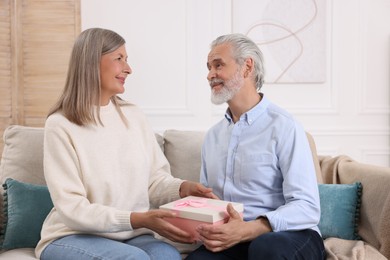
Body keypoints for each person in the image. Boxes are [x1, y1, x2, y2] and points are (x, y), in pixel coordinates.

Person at [35, 28, 216, 260]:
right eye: (119, 59)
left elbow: (153, 182)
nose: (128, 69)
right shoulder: (61, 124)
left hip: (131, 234)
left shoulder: (133, 116)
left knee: (167, 257)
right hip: (71, 235)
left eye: (127, 59)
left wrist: (183, 189)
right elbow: (72, 208)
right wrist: (136, 218)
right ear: (91, 62)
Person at [186, 33, 326, 260]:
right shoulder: (213, 137)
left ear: (247, 67)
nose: (210, 75)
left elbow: (307, 207)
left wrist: (251, 229)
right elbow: (210, 204)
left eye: (218, 65)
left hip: (290, 234)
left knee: (267, 248)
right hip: (236, 237)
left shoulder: (284, 127)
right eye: (209, 67)